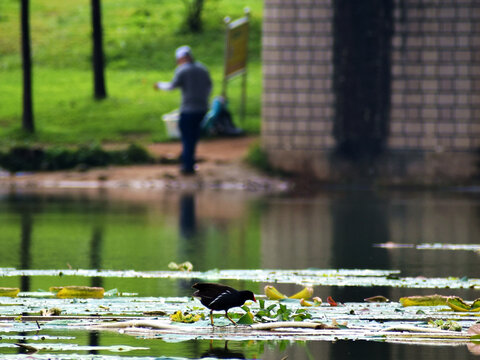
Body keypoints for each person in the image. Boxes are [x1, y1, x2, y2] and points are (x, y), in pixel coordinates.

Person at [154, 45, 212, 175]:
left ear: (181, 59)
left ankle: (187, 165)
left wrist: (159, 85)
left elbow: (172, 86)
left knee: (186, 136)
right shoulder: (203, 69)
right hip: (202, 109)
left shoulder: (182, 70)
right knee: (193, 136)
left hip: (188, 109)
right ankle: (188, 160)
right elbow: (209, 85)